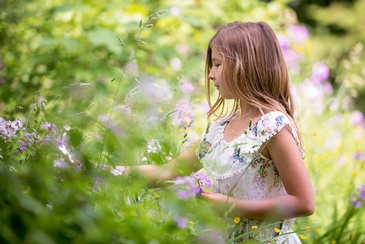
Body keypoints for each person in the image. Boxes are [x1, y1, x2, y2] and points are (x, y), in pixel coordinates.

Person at [111, 21, 315, 243]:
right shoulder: (220, 129)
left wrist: (231, 207)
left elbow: (303, 203)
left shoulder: (272, 127)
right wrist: (105, 172)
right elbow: (168, 171)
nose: (210, 75)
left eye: (217, 64)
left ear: (244, 65)